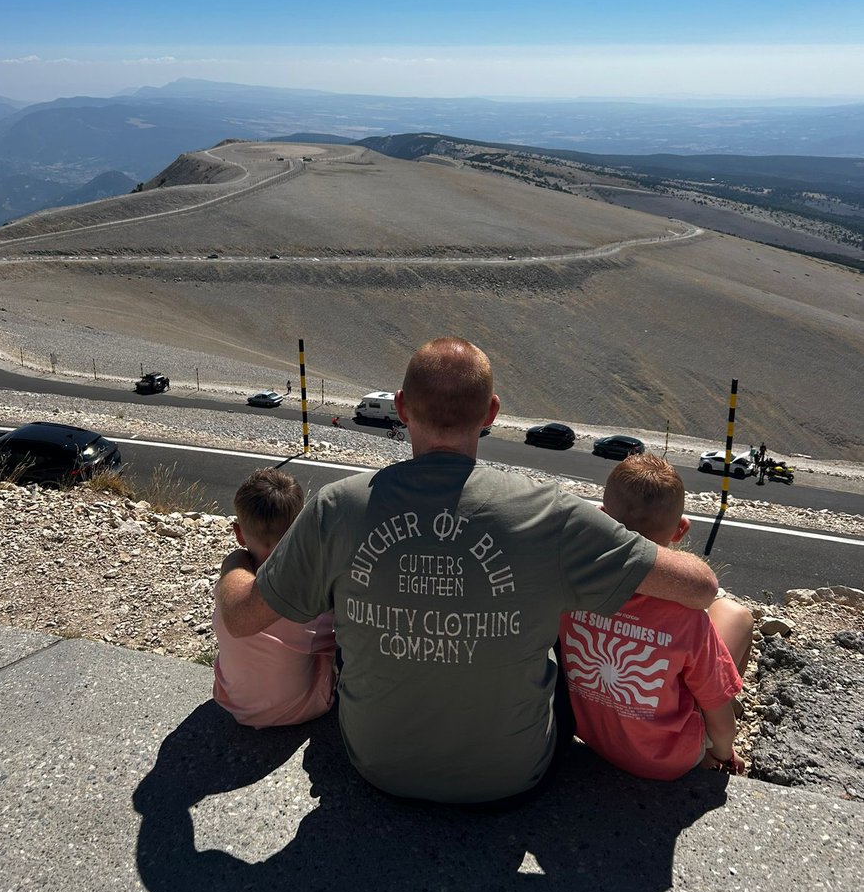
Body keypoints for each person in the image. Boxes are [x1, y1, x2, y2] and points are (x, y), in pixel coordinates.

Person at [218, 337, 719, 804]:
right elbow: (701, 589)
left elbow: (242, 618)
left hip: (376, 766)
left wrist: (236, 562)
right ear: (492, 413)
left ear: (400, 408)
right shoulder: (548, 512)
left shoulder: (337, 507)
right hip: (511, 780)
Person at [559, 455, 752, 781]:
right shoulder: (686, 616)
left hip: (593, 737)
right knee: (736, 615)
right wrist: (720, 751)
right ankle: (704, 734)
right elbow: (721, 721)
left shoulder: (569, 587)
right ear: (680, 530)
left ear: (603, 517)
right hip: (668, 760)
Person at [212, 468, 336, 728]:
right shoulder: (309, 598)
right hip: (302, 709)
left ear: (239, 533)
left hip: (234, 705)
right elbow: (340, 638)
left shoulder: (228, 587)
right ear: (300, 529)